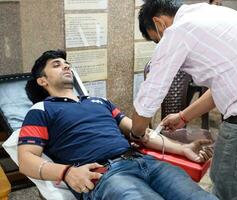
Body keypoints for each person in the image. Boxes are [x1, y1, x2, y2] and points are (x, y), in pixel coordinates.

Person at [132, 1, 237, 200]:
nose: (161, 43)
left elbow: (149, 96)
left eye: (156, 39)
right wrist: (184, 117)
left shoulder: (178, 31)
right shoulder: (214, 14)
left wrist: (136, 134)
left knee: (223, 197)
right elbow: (225, 85)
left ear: (158, 23)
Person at [18, 50, 218, 200]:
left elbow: (140, 132)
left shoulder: (99, 102)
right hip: (106, 175)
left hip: (146, 163)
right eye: (56, 64)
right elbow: (26, 159)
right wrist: (67, 172)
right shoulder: (41, 109)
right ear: (42, 80)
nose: (66, 66)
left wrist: (183, 149)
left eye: (67, 63)